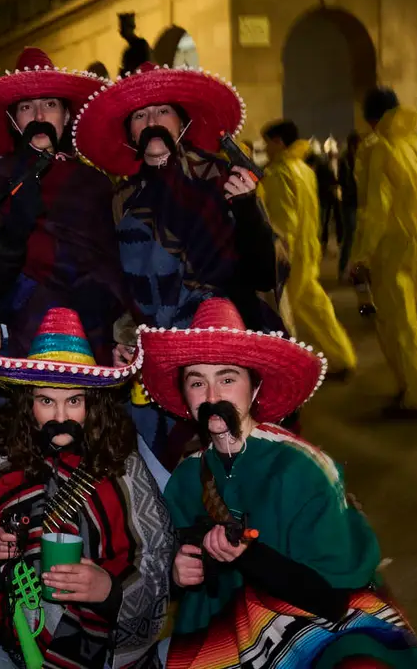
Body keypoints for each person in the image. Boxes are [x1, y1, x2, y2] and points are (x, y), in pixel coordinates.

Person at [138, 298, 417, 668]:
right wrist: (181, 573)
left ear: (255, 388)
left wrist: (250, 556)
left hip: (316, 619)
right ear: (185, 396)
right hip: (225, 622)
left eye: (227, 379)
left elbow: (332, 598)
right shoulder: (185, 479)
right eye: (197, 382)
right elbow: (193, 575)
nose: (212, 397)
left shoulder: (301, 469)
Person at [72, 62, 281, 478]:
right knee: (157, 468)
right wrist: (122, 332)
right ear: (130, 133)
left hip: (217, 346)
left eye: (162, 110)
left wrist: (247, 209)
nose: (152, 122)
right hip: (150, 354)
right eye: (140, 115)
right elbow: (114, 280)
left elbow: (262, 272)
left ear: (183, 121)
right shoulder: (121, 199)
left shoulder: (223, 179)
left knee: (227, 461)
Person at [0, 308, 173, 668]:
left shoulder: (122, 466)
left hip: (100, 651)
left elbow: (155, 564)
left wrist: (109, 591)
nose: (60, 416)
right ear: (27, 403)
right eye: (47, 401)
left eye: (73, 401)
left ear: (92, 403)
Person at [0, 47, 127, 362]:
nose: (39, 117)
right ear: (12, 119)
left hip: (91, 336)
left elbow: (115, 268)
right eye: (26, 107)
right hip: (20, 339)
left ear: (66, 115)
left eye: (50, 105)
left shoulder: (95, 184)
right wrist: (15, 230)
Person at [348, 87, 417, 417]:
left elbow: (375, 211)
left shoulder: (382, 150)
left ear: (374, 119)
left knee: (399, 327)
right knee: (406, 321)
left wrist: (359, 255)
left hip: (391, 250)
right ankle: (412, 388)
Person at [260, 120, 357, 377]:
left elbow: (283, 221)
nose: (266, 148)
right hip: (307, 249)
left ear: (278, 142)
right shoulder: (304, 170)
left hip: (289, 254)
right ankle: (342, 356)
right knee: (316, 307)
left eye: (267, 142)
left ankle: (285, 370)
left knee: (283, 312)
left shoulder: (279, 173)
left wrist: (277, 253)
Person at [337, 133, 361, 278]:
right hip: (348, 202)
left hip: (358, 201)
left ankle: (355, 269)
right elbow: (342, 179)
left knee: (358, 235)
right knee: (350, 234)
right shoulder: (344, 160)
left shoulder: (361, 158)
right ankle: (343, 267)